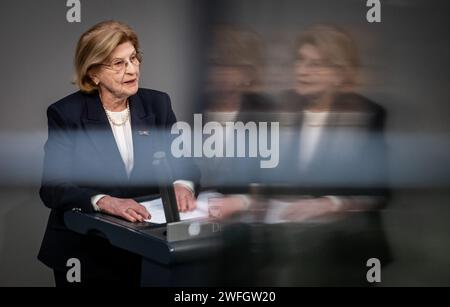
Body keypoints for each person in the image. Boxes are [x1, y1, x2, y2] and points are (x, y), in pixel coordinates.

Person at [38, 20, 199, 286]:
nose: (132, 69)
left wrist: (183, 185)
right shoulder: (66, 114)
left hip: (145, 249)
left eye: (134, 58)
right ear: (93, 74)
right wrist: (104, 201)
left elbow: (185, 163)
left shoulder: (157, 103)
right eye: (118, 63)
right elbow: (52, 188)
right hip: (87, 252)